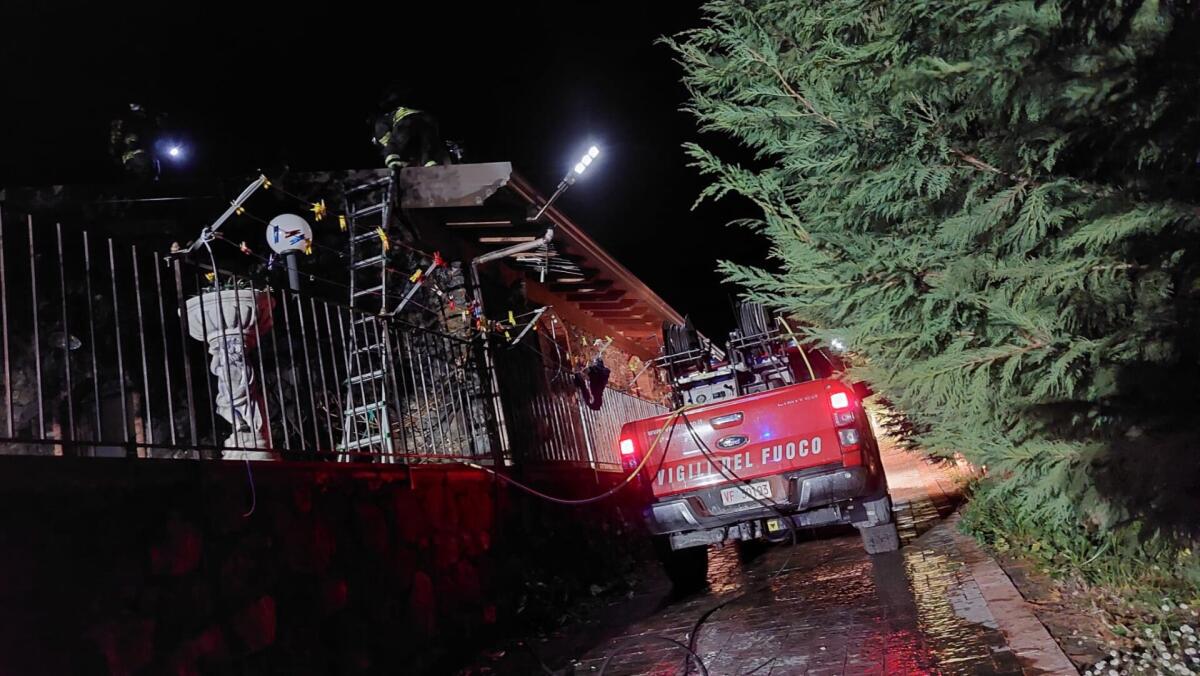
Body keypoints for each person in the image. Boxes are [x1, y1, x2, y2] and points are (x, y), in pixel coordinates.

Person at [371, 93, 449, 169]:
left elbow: (386, 139)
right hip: (428, 120)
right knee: (427, 146)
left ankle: (394, 164)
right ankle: (429, 164)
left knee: (394, 145)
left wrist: (394, 155)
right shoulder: (399, 111)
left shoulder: (380, 121)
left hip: (407, 120)